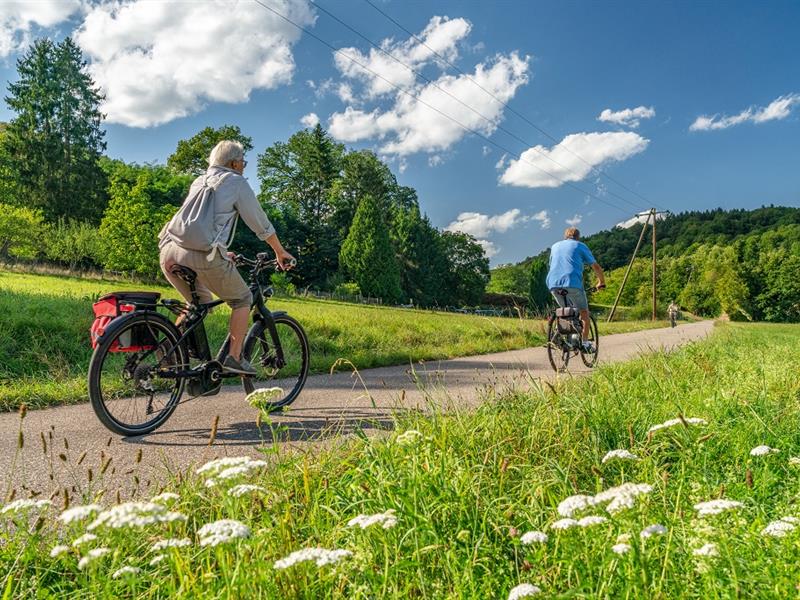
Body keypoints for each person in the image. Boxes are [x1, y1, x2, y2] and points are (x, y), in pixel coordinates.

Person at [159, 140, 295, 376]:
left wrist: (221, 249)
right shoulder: (235, 182)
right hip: (201, 255)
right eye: (243, 162)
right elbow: (259, 222)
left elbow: (197, 225)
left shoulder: (199, 180)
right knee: (242, 299)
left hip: (169, 252)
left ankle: (168, 347)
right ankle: (234, 357)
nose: (244, 167)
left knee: (198, 304)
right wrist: (279, 251)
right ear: (234, 163)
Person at [546, 227, 606, 351]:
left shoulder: (555, 246)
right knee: (584, 312)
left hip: (553, 283)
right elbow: (596, 266)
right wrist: (601, 282)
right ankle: (585, 343)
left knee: (565, 312)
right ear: (578, 237)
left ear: (565, 236)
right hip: (572, 283)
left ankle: (557, 336)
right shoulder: (580, 245)